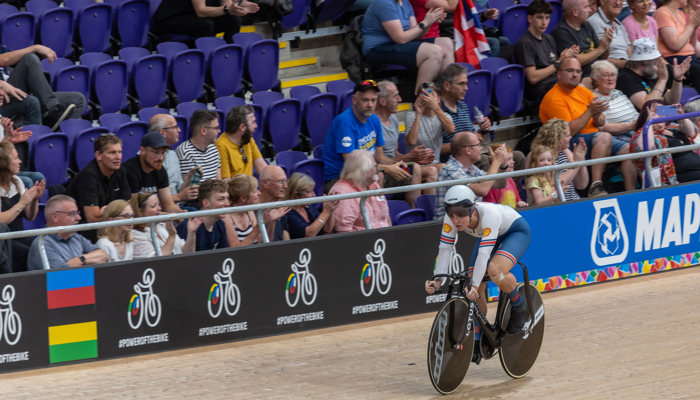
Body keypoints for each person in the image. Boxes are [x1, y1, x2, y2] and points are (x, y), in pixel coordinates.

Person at [425, 185, 532, 364]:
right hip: (489, 235)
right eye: (451, 214)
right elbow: (445, 249)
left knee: (494, 270)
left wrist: (474, 285)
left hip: (515, 232)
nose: (455, 220)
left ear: (472, 209)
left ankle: (518, 305)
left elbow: (484, 254)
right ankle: (478, 336)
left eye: (460, 214)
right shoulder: (450, 220)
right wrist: (438, 280)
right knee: (473, 287)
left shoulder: (489, 214)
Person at [539, 56, 637, 195]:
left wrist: (596, 115)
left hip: (594, 137)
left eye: (578, 71)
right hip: (568, 141)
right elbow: (568, 132)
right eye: (570, 71)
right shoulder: (553, 98)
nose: (575, 75)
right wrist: (590, 111)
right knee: (604, 137)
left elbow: (602, 122)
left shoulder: (583, 91)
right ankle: (596, 185)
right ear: (559, 74)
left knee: (629, 149)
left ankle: (631, 192)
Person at [321, 80, 417, 205]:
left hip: (369, 170)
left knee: (413, 170)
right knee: (378, 176)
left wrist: (396, 164)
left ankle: (413, 216)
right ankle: (378, 219)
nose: (370, 105)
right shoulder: (344, 122)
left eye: (373, 100)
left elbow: (380, 157)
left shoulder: (374, 119)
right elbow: (352, 165)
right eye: (365, 100)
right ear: (354, 100)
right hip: (339, 177)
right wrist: (387, 168)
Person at [361, 0, 452, 94]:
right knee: (434, 52)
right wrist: (425, 22)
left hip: (397, 45)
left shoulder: (405, 3)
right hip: (377, 49)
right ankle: (422, 98)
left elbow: (416, 35)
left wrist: (430, 22)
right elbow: (400, 38)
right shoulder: (384, 3)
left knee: (446, 43)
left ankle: (447, 96)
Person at [0, 44, 85, 130]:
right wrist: (35, 48)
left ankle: (53, 132)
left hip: (18, 94)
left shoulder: (2, 48)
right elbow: (4, 60)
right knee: (30, 59)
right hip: (3, 98)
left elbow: (14, 59)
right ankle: (51, 108)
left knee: (77, 100)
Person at [65, 133, 132, 241]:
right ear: (98, 155)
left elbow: (127, 205)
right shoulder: (88, 176)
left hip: (109, 224)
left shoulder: (120, 171)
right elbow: (92, 218)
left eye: (120, 152)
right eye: (112, 152)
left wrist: (109, 211)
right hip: (83, 229)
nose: (118, 157)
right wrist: (117, 211)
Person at [515, 0, 580, 106]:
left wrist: (568, 58)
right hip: (539, 89)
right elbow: (533, 78)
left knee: (581, 85)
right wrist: (560, 61)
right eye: (540, 17)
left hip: (554, 83)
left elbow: (557, 66)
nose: (544, 22)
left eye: (547, 18)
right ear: (530, 18)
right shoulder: (525, 43)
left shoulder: (549, 39)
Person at [376, 80, 437, 195]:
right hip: (382, 171)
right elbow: (380, 160)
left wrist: (412, 157)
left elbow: (395, 154)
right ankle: (412, 207)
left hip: (396, 166)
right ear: (383, 102)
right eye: (395, 96)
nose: (400, 100)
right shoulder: (372, 124)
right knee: (415, 169)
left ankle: (421, 210)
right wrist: (408, 158)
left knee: (431, 170)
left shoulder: (393, 119)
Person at [435, 131, 508, 219]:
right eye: (478, 145)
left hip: (468, 223)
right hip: (447, 226)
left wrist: (503, 165)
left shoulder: (472, 168)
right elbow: (483, 190)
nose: (481, 148)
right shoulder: (450, 171)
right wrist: (496, 161)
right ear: (468, 150)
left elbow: (499, 184)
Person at [27, 195, 109, 270]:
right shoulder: (42, 244)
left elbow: (103, 256)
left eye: (78, 213)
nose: (79, 218)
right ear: (55, 217)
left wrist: (81, 259)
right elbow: (63, 274)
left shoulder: (76, 237)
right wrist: (89, 260)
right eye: (73, 214)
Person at [630, 99, 700, 183]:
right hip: (677, 180)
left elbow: (692, 132)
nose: (660, 116)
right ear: (646, 115)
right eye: (655, 112)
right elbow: (644, 149)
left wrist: (681, 116)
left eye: (662, 111)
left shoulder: (673, 127)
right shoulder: (642, 133)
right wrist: (649, 123)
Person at [0, 141, 44, 272]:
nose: (20, 161)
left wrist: (35, 200)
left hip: (21, 234)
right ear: (3, 163)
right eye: (15, 158)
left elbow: (30, 216)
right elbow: (1, 221)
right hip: (4, 240)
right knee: (29, 253)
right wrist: (21, 203)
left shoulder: (17, 181)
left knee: (43, 246)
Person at [404, 81, 452, 192]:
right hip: (412, 166)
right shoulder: (411, 115)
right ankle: (429, 205)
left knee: (446, 168)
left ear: (438, 99)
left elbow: (451, 129)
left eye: (431, 95)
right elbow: (411, 141)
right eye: (425, 95)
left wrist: (436, 108)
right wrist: (419, 113)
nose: (428, 99)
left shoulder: (443, 116)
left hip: (434, 163)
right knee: (432, 171)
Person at [616, 37, 689, 110]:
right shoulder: (626, 78)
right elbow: (647, 107)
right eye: (656, 60)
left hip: (660, 112)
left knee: (686, 111)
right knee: (680, 112)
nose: (660, 62)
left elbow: (672, 102)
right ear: (644, 62)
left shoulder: (650, 73)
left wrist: (677, 79)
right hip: (644, 117)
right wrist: (662, 80)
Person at [329, 150, 391, 232]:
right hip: (361, 241)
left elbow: (386, 217)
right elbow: (344, 231)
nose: (377, 169)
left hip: (383, 239)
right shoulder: (343, 193)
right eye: (374, 166)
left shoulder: (373, 184)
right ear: (364, 171)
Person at [528, 118, 589, 201]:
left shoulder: (566, 152)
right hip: (554, 205)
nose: (571, 137)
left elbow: (582, 185)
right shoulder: (538, 155)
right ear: (557, 138)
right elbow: (554, 184)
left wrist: (581, 160)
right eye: (567, 135)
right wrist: (576, 163)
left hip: (573, 201)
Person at [551, 0, 613, 81]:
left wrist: (606, 45)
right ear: (575, 12)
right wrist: (600, 49)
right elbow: (573, 62)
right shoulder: (561, 32)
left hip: (598, 74)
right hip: (580, 78)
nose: (590, 10)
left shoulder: (586, 25)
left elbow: (603, 57)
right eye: (586, 7)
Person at [123, 132, 183, 214]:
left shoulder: (160, 171)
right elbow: (136, 210)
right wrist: (170, 216)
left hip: (154, 217)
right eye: (156, 152)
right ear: (142, 150)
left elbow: (169, 205)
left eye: (163, 152)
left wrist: (182, 216)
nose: (161, 158)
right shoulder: (129, 171)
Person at [148, 113, 200, 204]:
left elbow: (178, 189)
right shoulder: (146, 159)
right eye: (175, 127)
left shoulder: (172, 154)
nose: (179, 130)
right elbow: (147, 201)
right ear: (163, 133)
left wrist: (189, 180)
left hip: (177, 208)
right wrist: (178, 197)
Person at [151, 0, 259, 43]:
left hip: (194, 17)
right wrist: (228, 9)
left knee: (233, 19)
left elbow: (227, 7)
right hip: (170, 20)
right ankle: (206, 60)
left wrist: (238, 7)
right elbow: (201, 11)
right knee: (206, 25)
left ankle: (229, 56)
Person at [130, 192, 196, 258]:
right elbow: (156, 261)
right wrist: (171, 236)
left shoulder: (163, 226)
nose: (159, 208)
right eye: (153, 206)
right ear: (141, 212)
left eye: (158, 205)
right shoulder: (136, 235)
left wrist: (191, 233)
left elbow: (187, 253)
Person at [654, 0, 700, 93]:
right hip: (674, 60)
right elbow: (675, 45)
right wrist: (691, 25)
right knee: (697, 69)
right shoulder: (662, 13)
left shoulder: (680, 13)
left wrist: (694, 26)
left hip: (690, 58)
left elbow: (692, 45)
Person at [590, 60, 639, 142]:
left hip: (636, 129)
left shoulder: (618, 92)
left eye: (613, 75)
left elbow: (635, 114)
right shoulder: (593, 97)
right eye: (606, 75)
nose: (610, 79)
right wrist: (631, 126)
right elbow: (602, 127)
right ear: (595, 80)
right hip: (618, 136)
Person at [176, 179, 230, 251]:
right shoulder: (187, 226)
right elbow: (182, 258)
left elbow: (223, 256)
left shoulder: (220, 224)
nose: (227, 204)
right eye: (221, 199)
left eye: (227, 198)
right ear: (206, 203)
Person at [216, 105, 267, 178]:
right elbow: (225, 183)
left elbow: (262, 168)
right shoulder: (221, 147)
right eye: (253, 122)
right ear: (242, 127)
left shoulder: (248, 139)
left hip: (250, 187)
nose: (256, 126)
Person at [283, 172, 337, 239]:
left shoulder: (308, 207)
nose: (314, 195)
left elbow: (327, 229)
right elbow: (309, 234)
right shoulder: (287, 212)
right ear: (297, 195)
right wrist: (326, 212)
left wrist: (330, 210)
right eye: (309, 192)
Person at [175, 109, 222, 186]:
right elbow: (189, 190)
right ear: (203, 131)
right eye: (216, 128)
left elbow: (218, 183)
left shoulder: (213, 149)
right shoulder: (185, 152)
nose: (219, 131)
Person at [587, 0, 632, 69]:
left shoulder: (619, 24)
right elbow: (598, 57)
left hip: (626, 70)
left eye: (621, 0)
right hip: (608, 70)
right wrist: (625, 64)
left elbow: (629, 52)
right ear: (602, 1)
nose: (618, 3)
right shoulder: (593, 22)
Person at [482, 144, 528, 209]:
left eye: (512, 158)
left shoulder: (510, 179)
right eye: (508, 159)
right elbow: (491, 208)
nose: (513, 162)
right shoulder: (491, 184)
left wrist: (519, 203)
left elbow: (517, 200)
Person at [224, 174, 262, 247]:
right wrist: (258, 227)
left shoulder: (249, 211)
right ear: (243, 198)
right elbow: (236, 250)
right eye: (254, 192)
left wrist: (271, 221)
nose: (259, 193)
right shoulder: (226, 217)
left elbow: (260, 243)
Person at [258, 165, 290, 241]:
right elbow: (261, 248)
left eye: (286, 181)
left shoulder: (280, 205)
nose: (286, 186)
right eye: (281, 182)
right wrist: (272, 223)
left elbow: (286, 238)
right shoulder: (252, 210)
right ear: (265, 183)